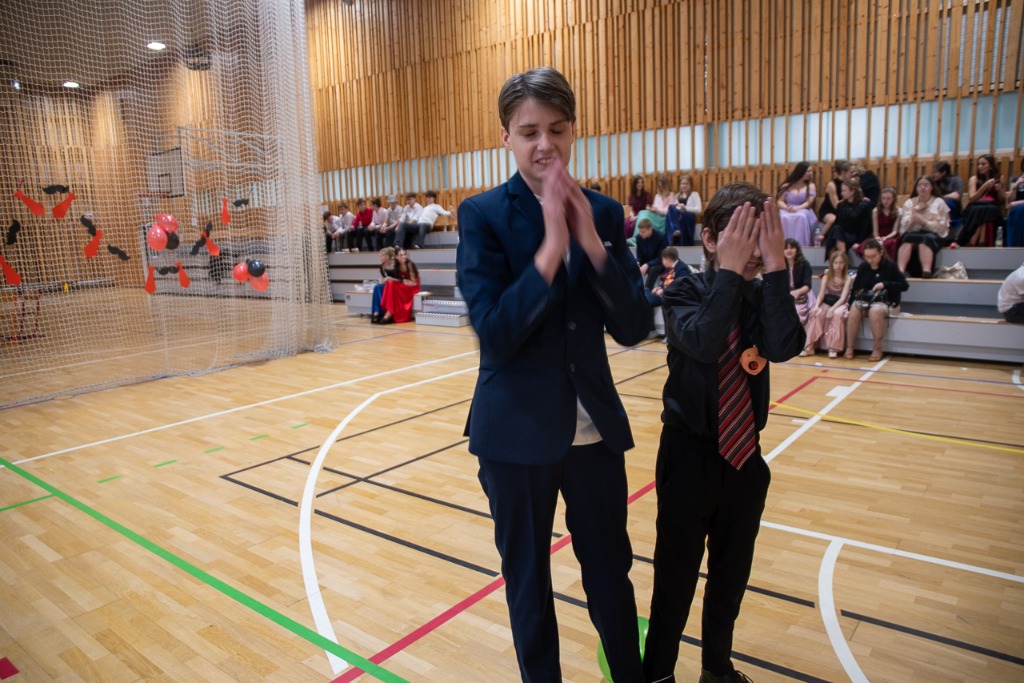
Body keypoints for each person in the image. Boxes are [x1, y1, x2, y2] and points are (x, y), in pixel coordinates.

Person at [455, 66, 650, 683]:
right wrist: (549, 252)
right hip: (514, 435)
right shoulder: (483, 215)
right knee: (528, 582)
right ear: (506, 138)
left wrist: (590, 242)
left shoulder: (605, 212)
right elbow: (495, 333)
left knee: (610, 572)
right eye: (529, 131)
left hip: (593, 434)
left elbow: (633, 326)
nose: (546, 144)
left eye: (558, 129)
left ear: (573, 131)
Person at [643, 185, 805, 683]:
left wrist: (776, 271)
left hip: (744, 457)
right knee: (675, 579)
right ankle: (658, 674)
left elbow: (785, 344)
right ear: (711, 240)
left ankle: (716, 669)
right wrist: (731, 274)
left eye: (761, 238)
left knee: (730, 578)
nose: (753, 250)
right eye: (743, 237)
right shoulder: (682, 290)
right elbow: (704, 340)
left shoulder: (760, 293)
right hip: (688, 456)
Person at [845, 239, 908, 361]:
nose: (870, 260)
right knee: (854, 308)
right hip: (867, 300)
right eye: (867, 257)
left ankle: (877, 348)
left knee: (875, 311)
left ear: (881, 253)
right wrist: (851, 303)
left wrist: (885, 284)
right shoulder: (863, 267)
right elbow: (856, 288)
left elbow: (904, 285)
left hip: (888, 302)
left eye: (873, 256)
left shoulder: (891, 266)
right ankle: (850, 347)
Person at [897, 175, 950, 277]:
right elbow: (905, 227)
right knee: (907, 238)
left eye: (926, 185)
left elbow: (942, 227)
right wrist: (915, 212)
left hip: (934, 233)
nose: (923, 187)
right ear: (916, 188)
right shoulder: (910, 202)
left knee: (925, 239)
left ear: (932, 187)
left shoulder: (939, 202)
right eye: (920, 185)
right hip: (914, 232)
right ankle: (900, 271)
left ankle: (926, 270)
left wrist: (924, 222)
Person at [803, 249, 853, 358]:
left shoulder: (848, 279)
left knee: (837, 314)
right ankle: (809, 347)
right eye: (836, 262)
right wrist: (816, 306)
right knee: (816, 313)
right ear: (831, 264)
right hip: (828, 301)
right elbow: (821, 295)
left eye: (841, 262)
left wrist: (832, 309)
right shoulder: (826, 277)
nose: (838, 265)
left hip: (840, 303)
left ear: (845, 264)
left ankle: (833, 348)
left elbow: (843, 298)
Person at [961, 154, 1005, 247]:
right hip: (976, 206)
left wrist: (999, 190)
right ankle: (981, 241)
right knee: (983, 210)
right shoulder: (974, 179)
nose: (980, 166)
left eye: (983, 164)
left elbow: (1002, 200)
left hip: (992, 206)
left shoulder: (999, 178)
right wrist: (984, 186)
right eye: (979, 164)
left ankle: (974, 240)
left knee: (988, 209)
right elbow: (972, 198)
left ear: (990, 166)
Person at [826, 178, 873, 257]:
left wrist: (859, 242)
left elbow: (865, 227)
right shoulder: (841, 205)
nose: (841, 193)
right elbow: (837, 222)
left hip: (855, 236)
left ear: (852, 191)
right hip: (842, 235)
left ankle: (841, 258)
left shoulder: (864, 205)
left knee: (836, 234)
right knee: (836, 231)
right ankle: (842, 256)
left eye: (844, 191)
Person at [775, 161, 818, 247]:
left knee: (801, 217)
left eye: (811, 171)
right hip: (788, 208)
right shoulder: (787, 186)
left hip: (804, 208)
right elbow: (779, 201)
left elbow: (809, 202)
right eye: (808, 171)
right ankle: (784, 245)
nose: (810, 173)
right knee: (784, 217)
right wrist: (787, 208)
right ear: (801, 171)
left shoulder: (811, 186)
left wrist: (798, 208)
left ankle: (802, 245)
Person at [375, 248, 420, 324]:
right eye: (401, 255)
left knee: (391, 283)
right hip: (403, 283)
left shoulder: (409, 264)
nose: (404, 257)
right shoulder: (396, 264)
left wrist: (393, 279)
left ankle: (389, 312)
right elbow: (399, 279)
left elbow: (413, 282)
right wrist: (391, 279)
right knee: (390, 283)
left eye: (404, 254)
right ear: (396, 256)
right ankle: (389, 311)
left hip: (411, 285)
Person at [784, 238, 815, 336]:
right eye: (786, 248)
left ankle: (800, 338)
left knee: (797, 312)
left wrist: (796, 292)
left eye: (792, 248)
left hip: (803, 294)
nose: (789, 250)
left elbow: (807, 285)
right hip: (787, 295)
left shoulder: (805, 264)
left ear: (797, 249)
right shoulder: (780, 266)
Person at [819, 159, 853, 238]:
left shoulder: (850, 183)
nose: (852, 174)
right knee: (832, 219)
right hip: (829, 210)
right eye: (850, 172)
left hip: (844, 208)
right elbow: (836, 205)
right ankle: (820, 236)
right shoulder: (832, 184)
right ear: (843, 172)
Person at [865, 187, 901, 260]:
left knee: (891, 244)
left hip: (891, 236)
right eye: (883, 198)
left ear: (893, 199)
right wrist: (877, 237)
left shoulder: (898, 211)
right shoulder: (876, 211)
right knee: (870, 244)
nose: (885, 201)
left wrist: (886, 238)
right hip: (879, 234)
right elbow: (875, 230)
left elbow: (895, 231)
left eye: (888, 198)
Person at [931, 161, 964, 239]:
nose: (933, 175)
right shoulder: (934, 183)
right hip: (938, 205)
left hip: (953, 206)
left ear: (943, 172)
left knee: (945, 204)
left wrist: (941, 198)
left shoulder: (956, 180)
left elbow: (957, 196)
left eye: (935, 172)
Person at [667, 175, 703, 246]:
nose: (684, 186)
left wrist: (685, 207)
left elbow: (699, 209)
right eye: (682, 184)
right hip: (679, 215)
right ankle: (675, 231)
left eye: (686, 184)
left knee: (682, 216)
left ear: (690, 185)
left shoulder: (694, 194)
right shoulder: (677, 195)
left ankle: (677, 233)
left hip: (689, 216)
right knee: (671, 208)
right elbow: (675, 209)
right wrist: (676, 206)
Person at [636, 217, 669, 290]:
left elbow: (661, 257)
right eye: (640, 231)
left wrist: (648, 264)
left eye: (643, 232)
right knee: (632, 265)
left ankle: (647, 290)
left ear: (650, 229)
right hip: (646, 262)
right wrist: (637, 262)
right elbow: (639, 254)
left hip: (659, 263)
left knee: (653, 269)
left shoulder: (661, 237)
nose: (641, 234)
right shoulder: (638, 237)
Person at [369, 246, 399, 322]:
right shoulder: (382, 266)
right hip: (389, 285)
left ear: (387, 256)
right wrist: (383, 281)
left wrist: (390, 278)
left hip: (397, 285)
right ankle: (377, 311)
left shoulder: (396, 264)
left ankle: (387, 311)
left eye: (381, 256)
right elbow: (383, 278)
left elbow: (401, 280)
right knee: (377, 287)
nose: (380, 257)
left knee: (389, 284)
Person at [1007, 161, 1024, 247]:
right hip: (1017, 208)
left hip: (1019, 207)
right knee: (1018, 210)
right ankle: (1014, 245)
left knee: (1021, 210)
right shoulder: (1016, 180)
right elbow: (1010, 200)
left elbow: (1013, 203)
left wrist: (1018, 202)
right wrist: (1016, 185)